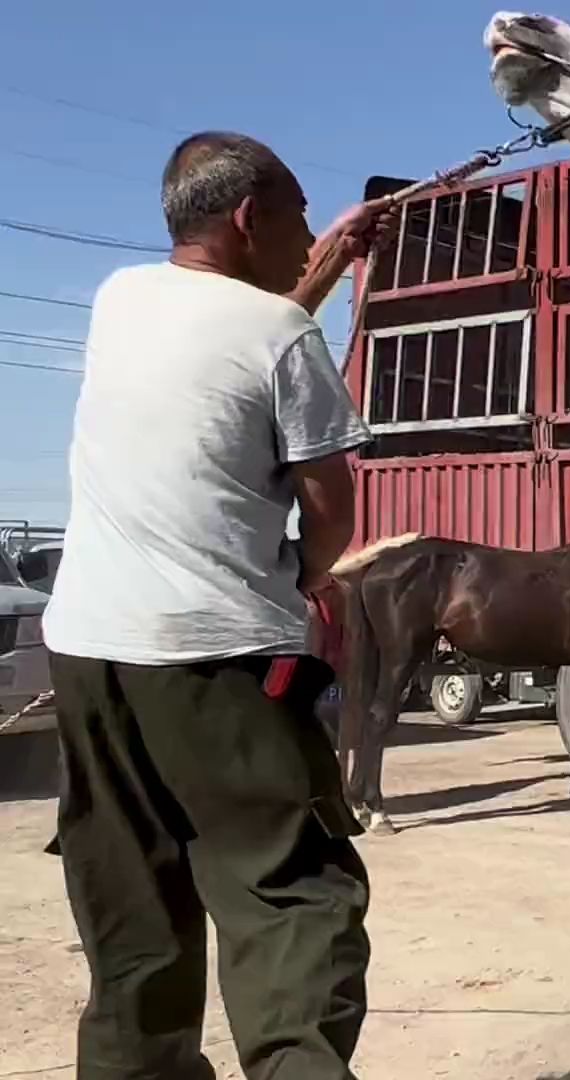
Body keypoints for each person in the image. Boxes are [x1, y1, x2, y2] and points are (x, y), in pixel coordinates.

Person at [41, 130, 397, 1080]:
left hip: (87, 653)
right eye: (299, 217)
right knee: (291, 900)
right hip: (218, 660)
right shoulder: (285, 335)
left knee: (134, 911)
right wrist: (311, 576)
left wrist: (329, 256)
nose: (308, 231)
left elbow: (236, 328)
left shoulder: (120, 300)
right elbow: (330, 505)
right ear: (249, 219)